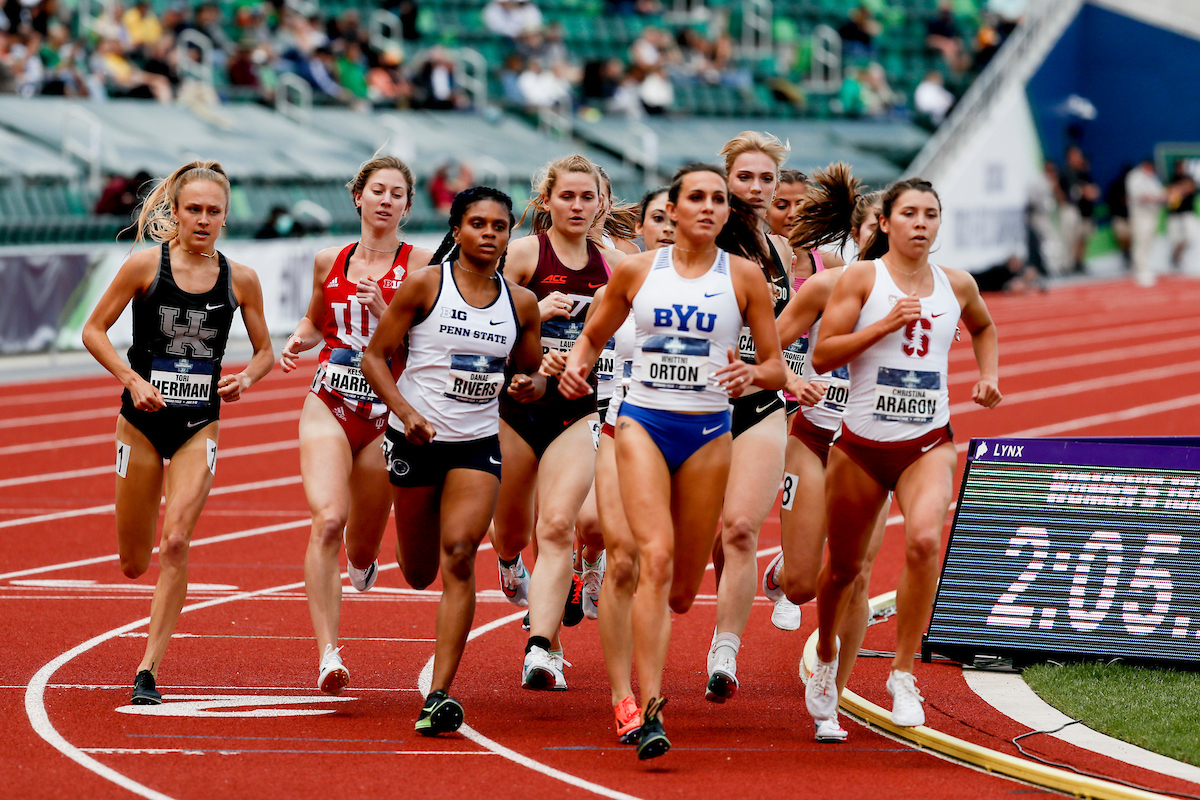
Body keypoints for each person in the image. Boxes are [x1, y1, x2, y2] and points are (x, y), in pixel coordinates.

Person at [560, 162, 787, 759]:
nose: (709, 207)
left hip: (710, 432)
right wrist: (581, 364)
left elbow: (776, 367)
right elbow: (593, 333)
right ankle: (642, 705)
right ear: (676, 211)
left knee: (682, 588)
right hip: (640, 423)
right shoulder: (638, 270)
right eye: (697, 198)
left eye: (719, 199)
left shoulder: (743, 279)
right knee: (649, 558)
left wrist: (750, 372)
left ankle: (652, 668)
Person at [803, 177, 1001, 731]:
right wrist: (886, 324)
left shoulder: (956, 284)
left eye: (930, 214)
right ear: (885, 222)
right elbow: (823, 355)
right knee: (841, 571)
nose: (920, 223)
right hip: (862, 447)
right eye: (909, 213)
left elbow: (983, 327)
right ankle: (824, 654)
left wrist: (988, 376)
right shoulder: (861, 279)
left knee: (922, 542)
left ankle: (903, 673)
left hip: (928, 441)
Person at [81, 160, 274, 705]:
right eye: (195, 209)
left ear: (226, 217)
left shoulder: (241, 279)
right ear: (176, 211)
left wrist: (245, 380)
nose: (204, 219)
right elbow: (92, 330)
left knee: (177, 541)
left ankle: (148, 669)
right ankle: (140, 589)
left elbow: (264, 352)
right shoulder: (145, 267)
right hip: (140, 423)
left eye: (215, 211)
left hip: (198, 424)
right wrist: (131, 379)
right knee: (133, 560)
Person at [360, 186, 546, 735]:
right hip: (414, 441)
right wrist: (404, 412)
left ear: (509, 234)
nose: (489, 234)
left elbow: (530, 374)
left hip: (476, 443)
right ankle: (394, 537)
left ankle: (438, 694)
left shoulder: (521, 303)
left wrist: (529, 385)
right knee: (419, 572)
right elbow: (374, 356)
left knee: (461, 553)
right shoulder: (426, 285)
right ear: (457, 229)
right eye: (478, 224)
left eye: (499, 226)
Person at [279, 156, 434, 695]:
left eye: (397, 193)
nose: (386, 200)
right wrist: (298, 341)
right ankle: (328, 654)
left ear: (408, 207)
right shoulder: (329, 259)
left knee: (361, 547)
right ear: (358, 197)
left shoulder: (424, 264)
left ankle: (361, 556)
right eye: (378, 191)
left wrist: (388, 305)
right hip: (329, 398)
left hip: (388, 407)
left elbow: (431, 341)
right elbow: (316, 318)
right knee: (326, 520)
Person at [490, 154, 625, 690]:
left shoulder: (618, 263)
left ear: (600, 203)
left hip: (579, 408)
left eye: (586, 197)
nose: (576, 205)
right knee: (514, 529)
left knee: (557, 527)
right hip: (518, 406)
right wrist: (533, 317)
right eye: (566, 196)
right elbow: (481, 319)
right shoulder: (524, 253)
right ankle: (505, 561)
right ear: (546, 200)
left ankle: (541, 648)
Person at [544, 187, 673, 742]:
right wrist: (565, 364)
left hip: (693, 437)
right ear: (640, 226)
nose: (671, 227)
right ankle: (634, 700)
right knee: (616, 548)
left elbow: (764, 349)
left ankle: (592, 568)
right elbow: (588, 342)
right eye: (660, 218)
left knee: (672, 575)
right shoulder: (623, 278)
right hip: (618, 423)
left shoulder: (730, 280)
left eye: (681, 216)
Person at [702, 131, 793, 703]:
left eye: (766, 179)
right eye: (745, 178)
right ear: (726, 180)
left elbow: (783, 338)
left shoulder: (781, 252)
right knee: (686, 547)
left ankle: (725, 649)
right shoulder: (703, 237)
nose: (756, 189)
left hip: (759, 405)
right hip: (693, 404)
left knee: (741, 529)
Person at [1126, 158, 1166, 287]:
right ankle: (1140, 271)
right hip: (1140, 215)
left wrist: (1163, 196)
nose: (1153, 171)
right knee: (1141, 241)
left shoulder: (1152, 178)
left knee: (1148, 242)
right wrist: (1157, 197)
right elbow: (1141, 196)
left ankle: (1144, 268)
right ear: (1146, 166)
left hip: (1152, 215)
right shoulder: (1135, 177)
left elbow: (1161, 193)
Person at [1167, 159, 1196, 271]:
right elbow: (1171, 196)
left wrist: (1179, 189)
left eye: (1182, 167)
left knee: (1190, 237)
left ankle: (1179, 255)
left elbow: (1189, 188)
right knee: (1176, 238)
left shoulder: (1189, 178)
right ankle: (1176, 257)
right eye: (1179, 167)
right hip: (1175, 214)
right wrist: (1179, 189)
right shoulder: (1172, 179)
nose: (1181, 169)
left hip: (1188, 212)